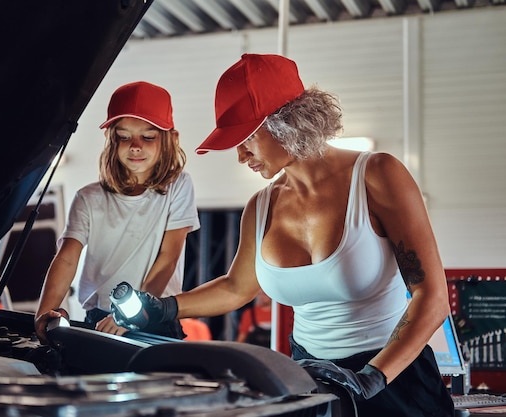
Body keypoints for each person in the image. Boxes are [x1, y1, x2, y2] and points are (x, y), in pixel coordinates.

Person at [112, 54, 454, 416]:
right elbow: (236, 288)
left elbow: (431, 298)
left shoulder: (376, 175)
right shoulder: (261, 206)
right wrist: (164, 308)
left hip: (393, 379)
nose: (241, 156)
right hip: (312, 382)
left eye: (246, 139)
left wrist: (372, 377)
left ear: (287, 123)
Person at [34, 81, 200, 343]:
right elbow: (67, 258)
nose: (135, 146)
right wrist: (44, 312)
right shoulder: (88, 197)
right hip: (99, 317)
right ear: (111, 138)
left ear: (171, 138)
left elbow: (168, 257)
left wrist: (133, 313)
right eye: (124, 136)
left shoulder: (178, 186)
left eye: (148, 137)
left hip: (153, 316)